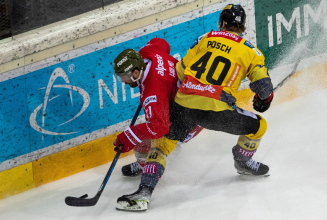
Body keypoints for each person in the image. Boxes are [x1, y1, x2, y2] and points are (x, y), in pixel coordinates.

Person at [114, 4, 274, 212]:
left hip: (185, 103)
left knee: (161, 146)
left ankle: (144, 193)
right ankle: (242, 162)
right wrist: (265, 100)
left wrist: (170, 95)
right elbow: (263, 86)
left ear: (222, 23)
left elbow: (180, 72)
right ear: (242, 26)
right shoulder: (251, 52)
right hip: (217, 112)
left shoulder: (205, 38)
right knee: (258, 126)